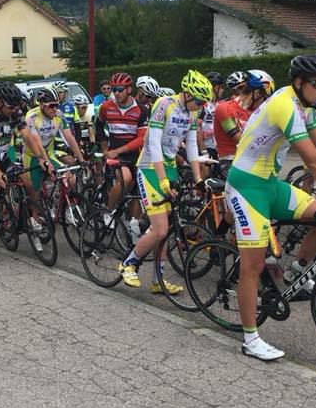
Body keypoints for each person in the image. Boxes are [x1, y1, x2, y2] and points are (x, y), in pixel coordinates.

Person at [224, 54, 316, 361]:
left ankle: (295, 272)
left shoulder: (304, 106)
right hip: (246, 187)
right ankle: (250, 339)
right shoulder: (284, 105)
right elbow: (314, 162)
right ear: (298, 82)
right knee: (251, 266)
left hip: (269, 184)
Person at [119, 70, 210, 295]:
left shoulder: (192, 113)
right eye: (198, 101)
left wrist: (198, 178)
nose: (200, 105)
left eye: (203, 103)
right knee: (159, 229)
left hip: (169, 168)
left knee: (165, 229)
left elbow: (191, 146)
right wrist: (161, 179)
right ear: (187, 94)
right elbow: (154, 143)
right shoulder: (164, 104)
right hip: (150, 168)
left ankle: (157, 279)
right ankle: (128, 264)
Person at [0, 81, 46, 261]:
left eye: (15, 106)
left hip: (4, 158)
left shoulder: (15, 112)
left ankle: (30, 219)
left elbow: (27, 136)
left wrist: (40, 157)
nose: (14, 110)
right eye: (10, 106)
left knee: (27, 181)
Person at [21, 87, 85, 222]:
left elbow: (70, 138)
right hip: (32, 155)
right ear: (41, 105)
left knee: (70, 179)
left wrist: (81, 159)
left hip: (49, 153)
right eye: (51, 106)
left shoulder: (59, 115)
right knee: (35, 189)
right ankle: (34, 217)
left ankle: (68, 209)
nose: (55, 109)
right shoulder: (31, 116)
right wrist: (47, 163)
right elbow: (37, 143)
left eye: (57, 105)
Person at [96, 73, 151, 211]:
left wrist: (118, 151)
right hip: (115, 155)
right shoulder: (106, 107)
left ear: (129, 90)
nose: (116, 93)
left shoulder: (141, 110)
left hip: (133, 154)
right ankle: (108, 211)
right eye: (114, 89)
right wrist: (105, 149)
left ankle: (133, 224)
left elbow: (141, 139)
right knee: (125, 179)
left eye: (120, 89)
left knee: (137, 190)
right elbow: (98, 126)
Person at [213, 72, 268, 172]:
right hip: (230, 159)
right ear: (256, 94)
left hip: (251, 159)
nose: (264, 103)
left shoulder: (254, 112)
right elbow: (239, 138)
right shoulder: (224, 108)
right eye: (264, 98)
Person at [197, 71, 226, 160]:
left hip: (219, 149)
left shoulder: (220, 104)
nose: (223, 90)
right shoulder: (202, 105)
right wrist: (204, 153)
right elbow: (197, 132)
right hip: (206, 148)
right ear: (214, 88)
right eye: (221, 87)